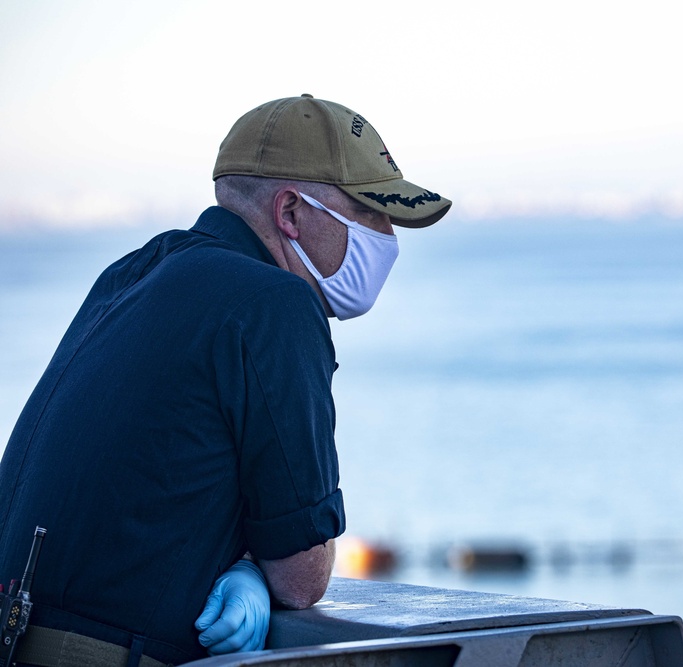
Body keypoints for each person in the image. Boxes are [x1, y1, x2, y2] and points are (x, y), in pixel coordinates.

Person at [0, 94, 450, 665]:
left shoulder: (134, 273)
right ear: (290, 213)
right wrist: (255, 571)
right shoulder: (274, 305)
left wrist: (237, 561)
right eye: (371, 214)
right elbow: (301, 574)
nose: (388, 237)